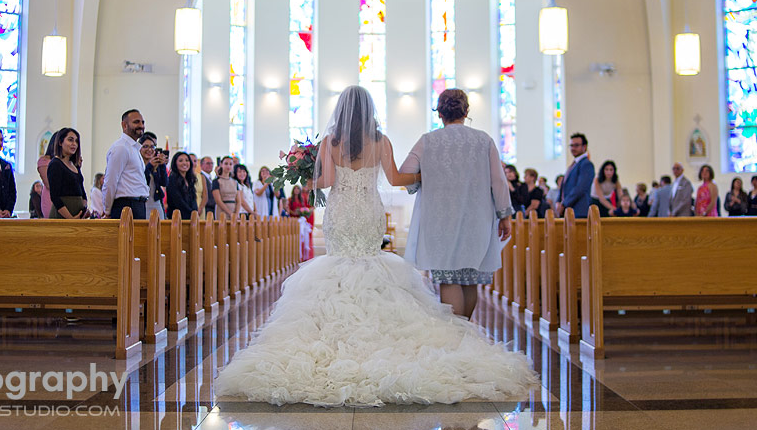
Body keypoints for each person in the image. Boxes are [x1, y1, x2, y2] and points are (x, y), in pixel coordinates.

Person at [214, 85, 536, 406]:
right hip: (368, 211)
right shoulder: (381, 140)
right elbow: (396, 178)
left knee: (339, 263)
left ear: (341, 110)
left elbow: (325, 182)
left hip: (340, 212)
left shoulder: (331, 142)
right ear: (370, 111)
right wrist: (429, 176)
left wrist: (307, 176)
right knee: (371, 260)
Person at [400, 88, 512, 319]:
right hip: (476, 219)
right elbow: (499, 182)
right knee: (469, 279)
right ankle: (467, 331)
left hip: (441, 221)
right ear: (466, 111)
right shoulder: (484, 140)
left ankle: (459, 338)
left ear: (439, 113)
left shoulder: (428, 141)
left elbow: (405, 172)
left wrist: (426, 178)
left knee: (448, 278)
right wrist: (505, 216)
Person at [103, 109, 149, 219]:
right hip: (126, 206)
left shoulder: (134, 148)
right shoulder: (121, 147)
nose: (141, 126)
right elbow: (110, 181)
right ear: (124, 125)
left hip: (137, 205)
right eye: (136, 122)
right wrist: (107, 210)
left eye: (142, 122)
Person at [46, 128, 88, 219]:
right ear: (60, 142)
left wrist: (84, 208)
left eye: (76, 141)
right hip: (63, 216)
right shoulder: (55, 164)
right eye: (70, 140)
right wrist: (70, 218)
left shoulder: (75, 165)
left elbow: (81, 189)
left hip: (78, 214)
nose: (74, 144)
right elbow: (55, 196)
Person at [560, 133, 595, 216]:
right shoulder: (573, 164)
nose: (573, 148)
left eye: (576, 145)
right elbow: (564, 185)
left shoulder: (586, 164)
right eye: (571, 145)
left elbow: (580, 188)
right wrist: (558, 202)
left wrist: (564, 204)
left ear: (584, 146)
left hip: (579, 210)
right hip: (569, 210)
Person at [139, 134, 167, 219]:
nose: (149, 150)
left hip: (156, 203)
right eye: (145, 146)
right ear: (139, 148)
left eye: (152, 147)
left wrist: (162, 166)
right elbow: (143, 182)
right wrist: (149, 166)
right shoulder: (137, 164)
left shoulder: (156, 165)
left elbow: (164, 182)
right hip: (142, 205)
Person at [164, 151, 198, 219]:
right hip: (177, 217)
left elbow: (193, 199)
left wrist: (195, 212)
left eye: (187, 160)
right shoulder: (172, 179)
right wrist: (191, 213)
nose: (184, 163)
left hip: (190, 217)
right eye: (180, 161)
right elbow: (178, 201)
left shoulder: (189, 179)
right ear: (175, 163)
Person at [288, 184, 314, 259]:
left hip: (301, 219)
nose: (296, 190)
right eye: (295, 189)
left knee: (304, 235)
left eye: (297, 189)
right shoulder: (290, 199)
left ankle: (305, 254)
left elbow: (308, 206)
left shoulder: (302, 199)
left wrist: (304, 212)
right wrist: (293, 213)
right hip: (294, 219)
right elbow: (289, 209)